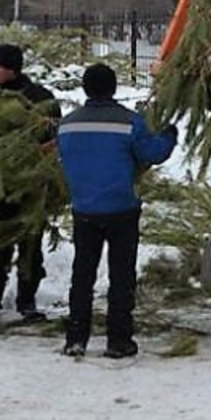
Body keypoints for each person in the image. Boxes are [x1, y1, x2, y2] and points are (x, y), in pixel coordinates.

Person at [57, 63, 176, 359]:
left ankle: (76, 338)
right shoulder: (129, 123)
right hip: (121, 209)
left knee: (82, 275)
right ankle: (119, 341)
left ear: (85, 88)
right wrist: (169, 133)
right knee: (121, 277)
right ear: (113, 89)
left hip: (84, 208)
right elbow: (153, 153)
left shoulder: (68, 124)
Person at [0, 43, 61, 328]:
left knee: (31, 246)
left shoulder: (39, 98)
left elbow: (54, 131)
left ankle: (27, 301)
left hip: (34, 185)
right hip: (2, 187)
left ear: (12, 68)